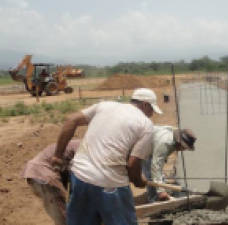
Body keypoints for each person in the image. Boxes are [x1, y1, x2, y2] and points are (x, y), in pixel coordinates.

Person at [51, 88, 162, 225]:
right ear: (145, 105)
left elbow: (71, 120)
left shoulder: (105, 106)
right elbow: (132, 165)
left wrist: (57, 155)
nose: (151, 115)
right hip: (111, 183)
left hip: (80, 176)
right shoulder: (146, 125)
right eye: (152, 110)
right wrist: (139, 181)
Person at [21, 140, 80, 225]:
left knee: (64, 214)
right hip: (42, 175)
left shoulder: (83, 146)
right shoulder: (83, 148)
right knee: (62, 216)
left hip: (41, 174)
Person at [142, 126, 197, 202]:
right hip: (142, 148)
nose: (183, 150)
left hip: (150, 147)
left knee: (157, 176)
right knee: (151, 176)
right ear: (179, 143)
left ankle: (159, 195)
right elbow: (156, 166)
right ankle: (154, 201)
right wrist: (161, 191)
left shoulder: (172, 139)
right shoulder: (166, 142)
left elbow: (159, 163)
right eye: (184, 147)